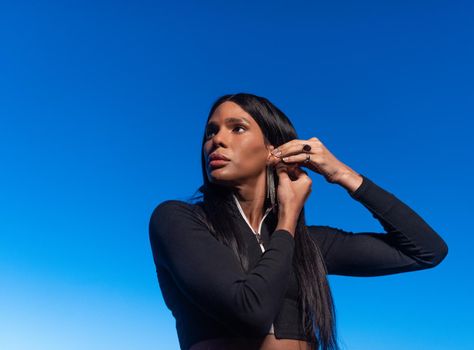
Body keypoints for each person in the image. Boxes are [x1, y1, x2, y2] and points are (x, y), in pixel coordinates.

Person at [148, 93, 448, 350]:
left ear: (273, 150)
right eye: (211, 132)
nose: (217, 141)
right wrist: (287, 219)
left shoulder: (311, 244)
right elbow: (249, 310)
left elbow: (425, 250)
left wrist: (341, 173)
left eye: (237, 128)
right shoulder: (179, 219)